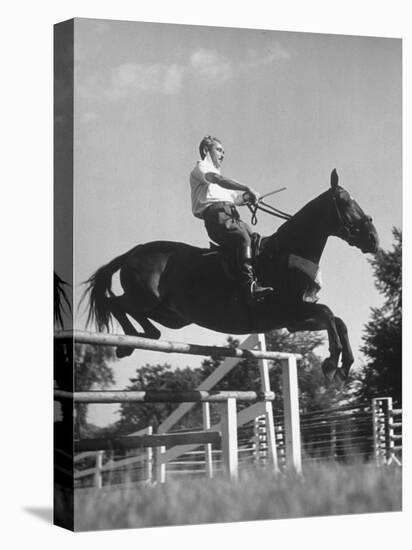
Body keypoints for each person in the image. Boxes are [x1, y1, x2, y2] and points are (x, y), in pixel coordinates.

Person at [190, 135, 273, 303]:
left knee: (254, 239)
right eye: (219, 150)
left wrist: (248, 196)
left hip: (230, 215)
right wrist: (247, 187)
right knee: (243, 238)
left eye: (223, 152)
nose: (223, 155)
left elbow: (235, 198)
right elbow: (219, 180)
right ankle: (249, 286)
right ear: (206, 150)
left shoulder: (217, 182)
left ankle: (257, 279)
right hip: (217, 217)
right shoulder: (201, 168)